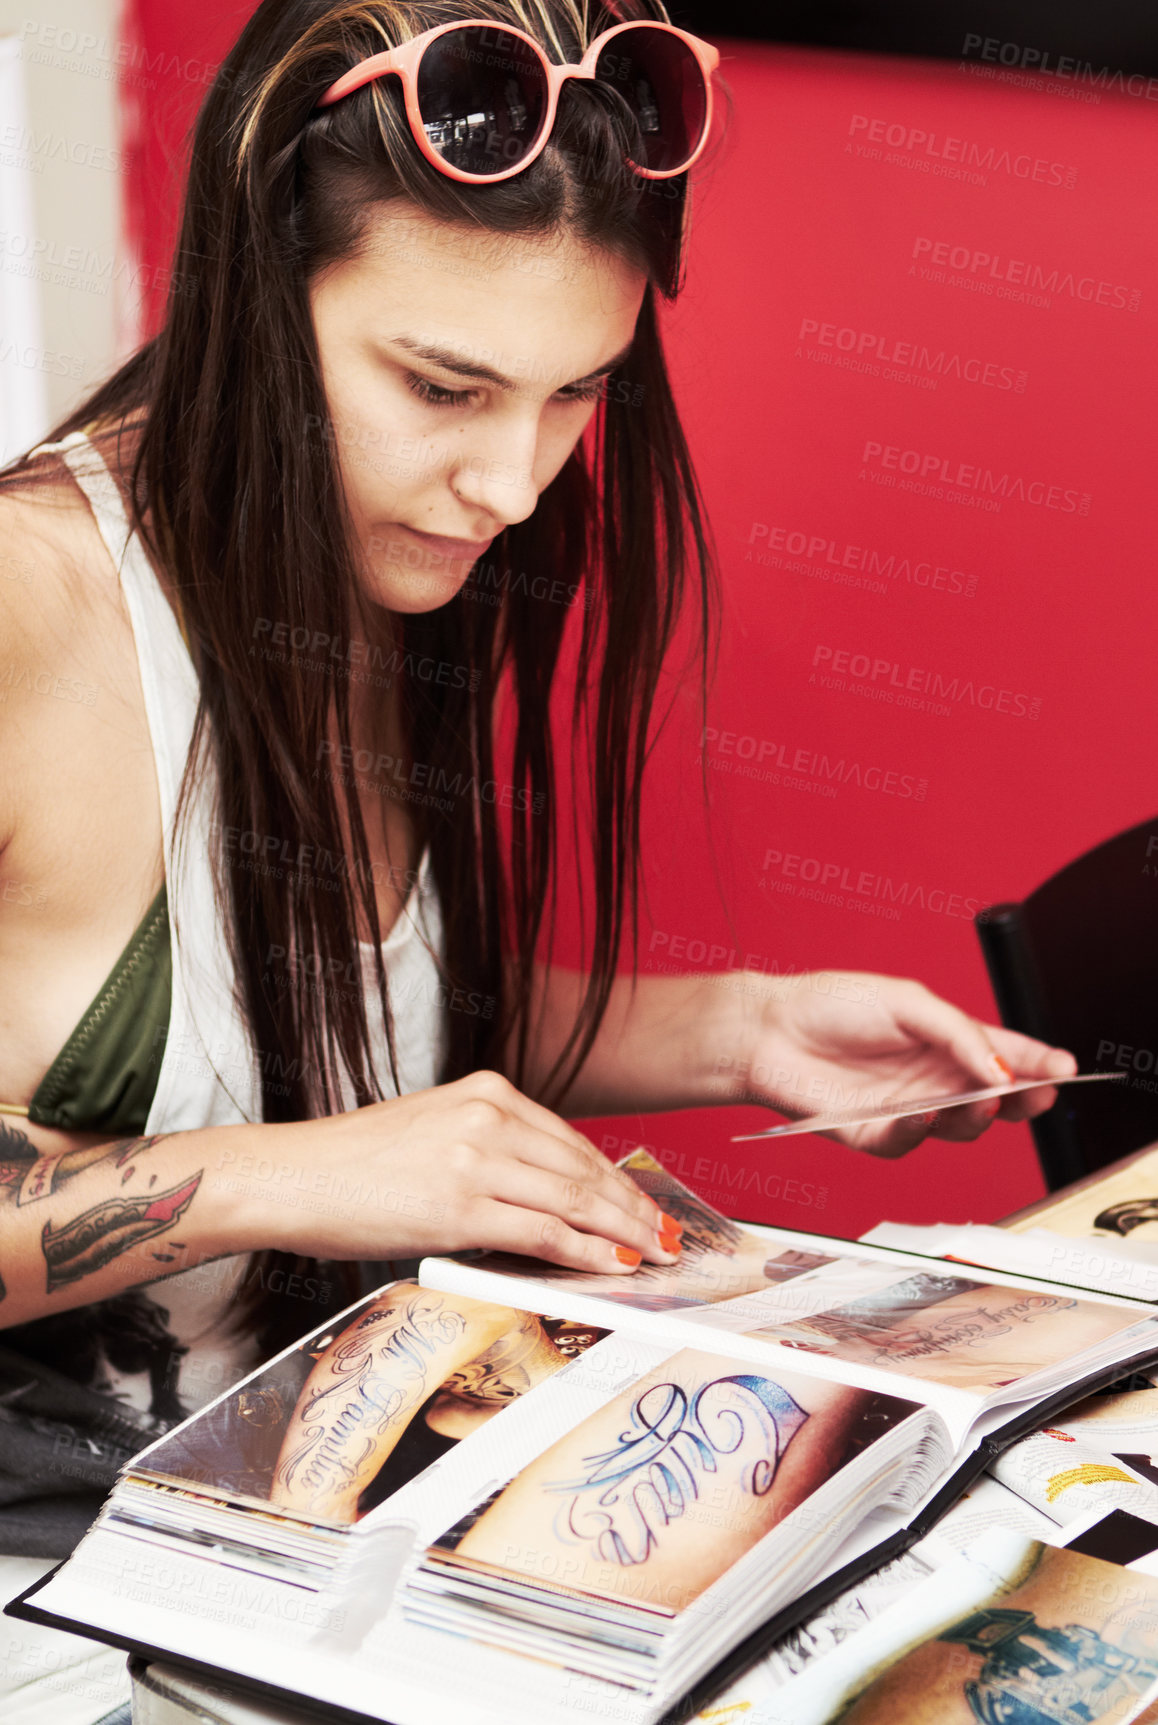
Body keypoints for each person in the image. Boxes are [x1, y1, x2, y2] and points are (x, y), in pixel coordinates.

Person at [0, 1, 1074, 1717]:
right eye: (443, 385)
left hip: (311, 1532)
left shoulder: (381, 539)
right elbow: (306, 1124)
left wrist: (737, 1035)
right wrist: (282, 1173)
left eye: (578, 389)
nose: (510, 476)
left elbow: (324, 1004)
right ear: (254, 302)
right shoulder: (30, 601)